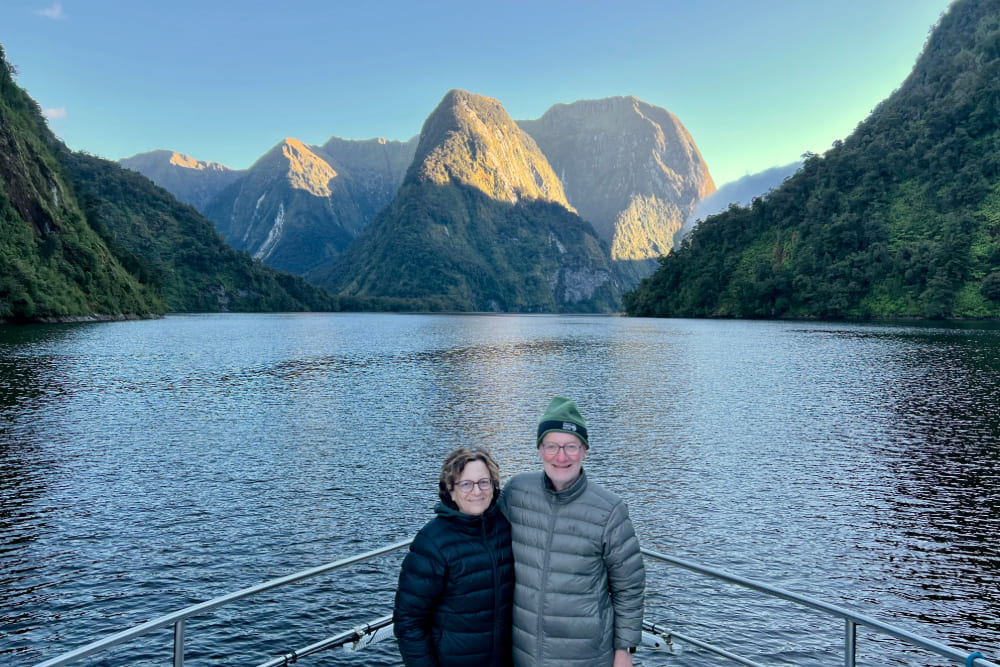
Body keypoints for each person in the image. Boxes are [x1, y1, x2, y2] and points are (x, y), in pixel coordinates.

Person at [499, 396, 645, 667]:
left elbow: (629, 587)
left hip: (586, 656)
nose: (561, 457)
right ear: (540, 450)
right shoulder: (516, 492)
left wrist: (624, 650)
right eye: (551, 446)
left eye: (571, 447)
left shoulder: (610, 510)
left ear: (585, 451)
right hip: (523, 652)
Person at [393, 446, 514, 667]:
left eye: (483, 482)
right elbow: (409, 621)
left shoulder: (504, 528)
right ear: (450, 490)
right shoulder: (432, 543)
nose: (477, 492)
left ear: (494, 486)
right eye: (466, 484)